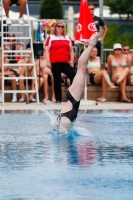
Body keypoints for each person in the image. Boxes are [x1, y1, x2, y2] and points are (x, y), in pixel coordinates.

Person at [56, 32, 100, 133]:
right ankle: (88, 47)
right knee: (81, 69)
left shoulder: (65, 122)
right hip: (72, 101)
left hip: (73, 99)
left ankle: (91, 45)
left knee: (82, 69)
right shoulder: (65, 122)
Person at [45, 21, 76, 104]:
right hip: (55, 61)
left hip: (65, 61)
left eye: (62, 26)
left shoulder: (67, 37)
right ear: (55, 27)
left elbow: (71, 50)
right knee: (57, 80)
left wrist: (72, 60)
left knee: (73, 75)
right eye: (59, 26)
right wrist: (48, 61)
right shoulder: (51, 37)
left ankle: (73, 96)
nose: (60, 28)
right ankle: (58, 99)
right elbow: (47, 50)